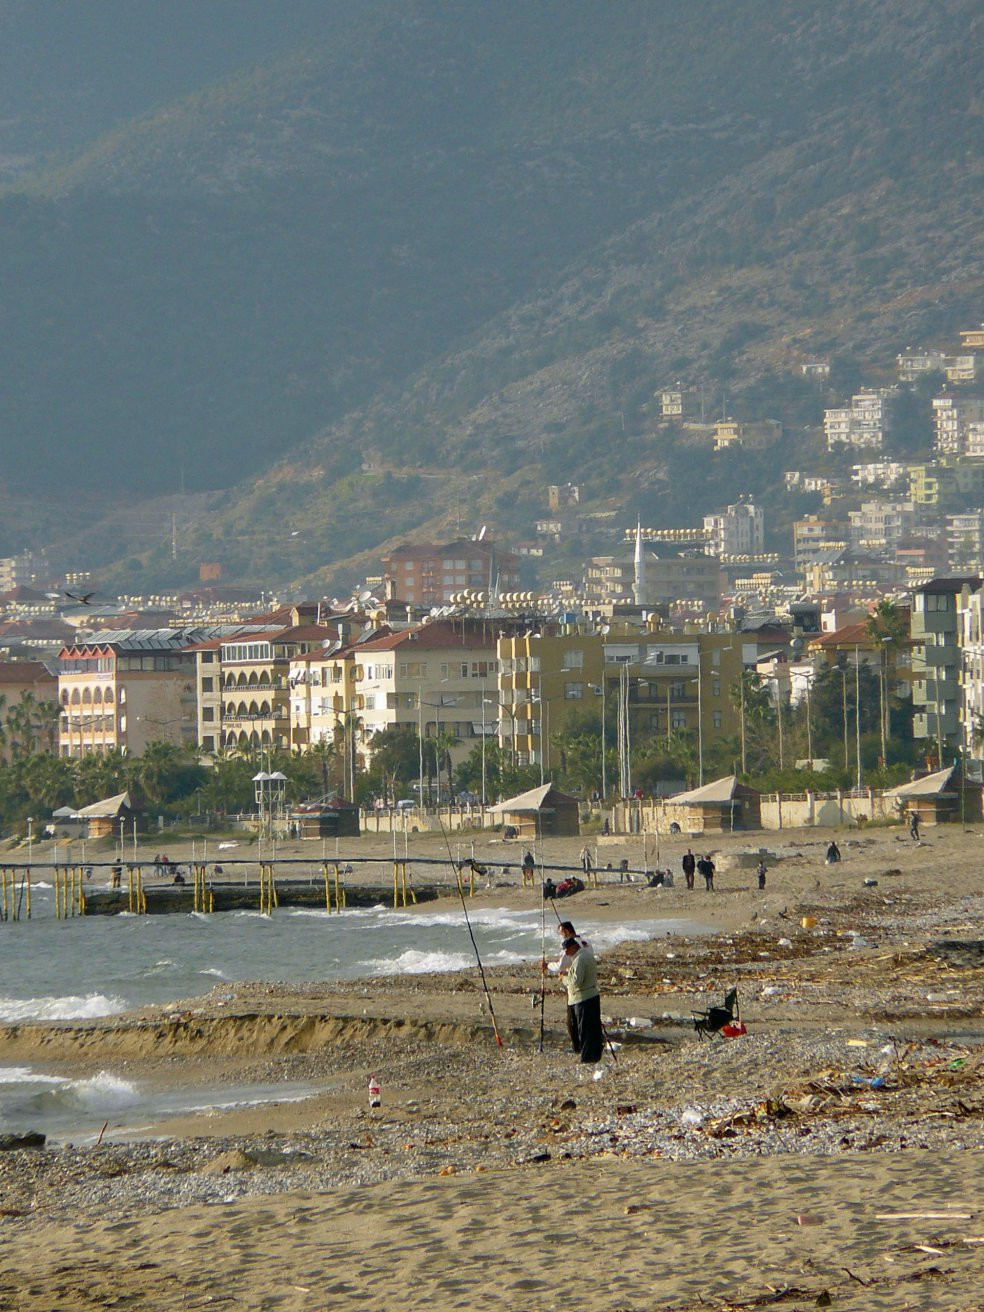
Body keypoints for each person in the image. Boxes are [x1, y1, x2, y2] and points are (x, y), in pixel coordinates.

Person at [544, 920, 593, 1056]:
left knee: (572, 1019)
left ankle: (577, 1047)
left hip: (576, 986)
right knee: (585, 1017)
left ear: (565, 931)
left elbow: (561, 965)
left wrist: (547, 966)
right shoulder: (586, 942)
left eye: (561, 933)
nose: (561, 936)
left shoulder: (572, 945)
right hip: (588, 984)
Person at [561, 935, 603, 1063]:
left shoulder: (580, 959)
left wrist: (564, 978)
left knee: (585, 1030)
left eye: (567, 950)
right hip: (591, 996)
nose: (565, 953)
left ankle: (587, 1058)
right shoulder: (586, 955)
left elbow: (576, 981)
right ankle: (594, 1056)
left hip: (583, 999)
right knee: (593, 1028)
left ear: (574, 947)